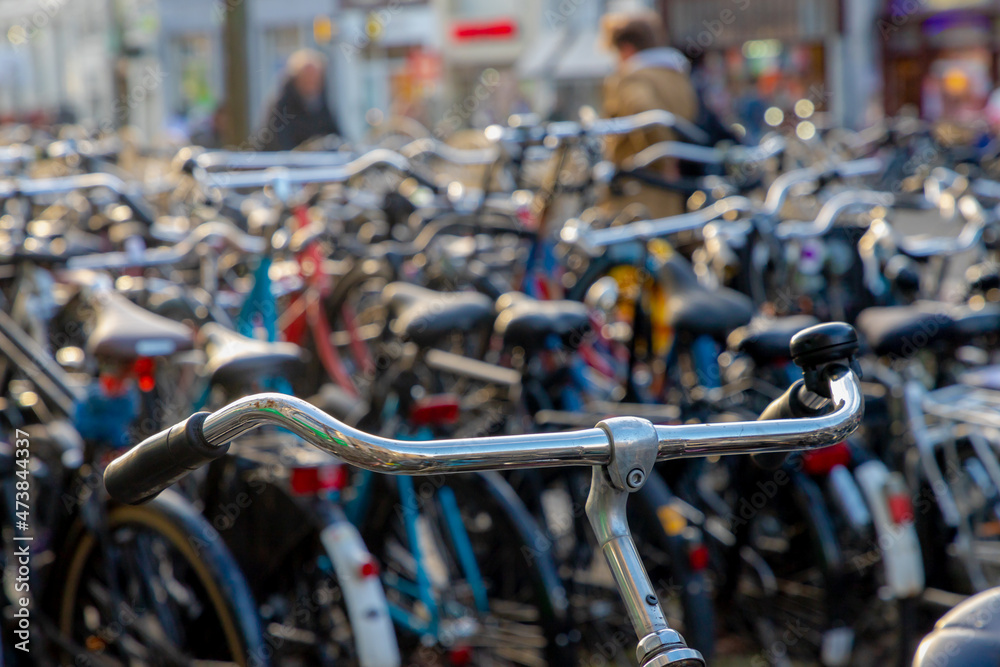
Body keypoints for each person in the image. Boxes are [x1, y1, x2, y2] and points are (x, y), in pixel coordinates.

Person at [600, 11, 698, 219]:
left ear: (626, 48)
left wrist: (664, 162)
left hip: (637, 190)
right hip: (672, 191)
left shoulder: (632, 78)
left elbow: (644, 111)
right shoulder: (677, 77)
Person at [260, 49, 340, 151]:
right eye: (307, 76)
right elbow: (279, 144)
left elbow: (335, 133)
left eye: (315, 77)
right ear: (297, 78)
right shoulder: (282, 106)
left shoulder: (321, 104)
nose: (312, 81)